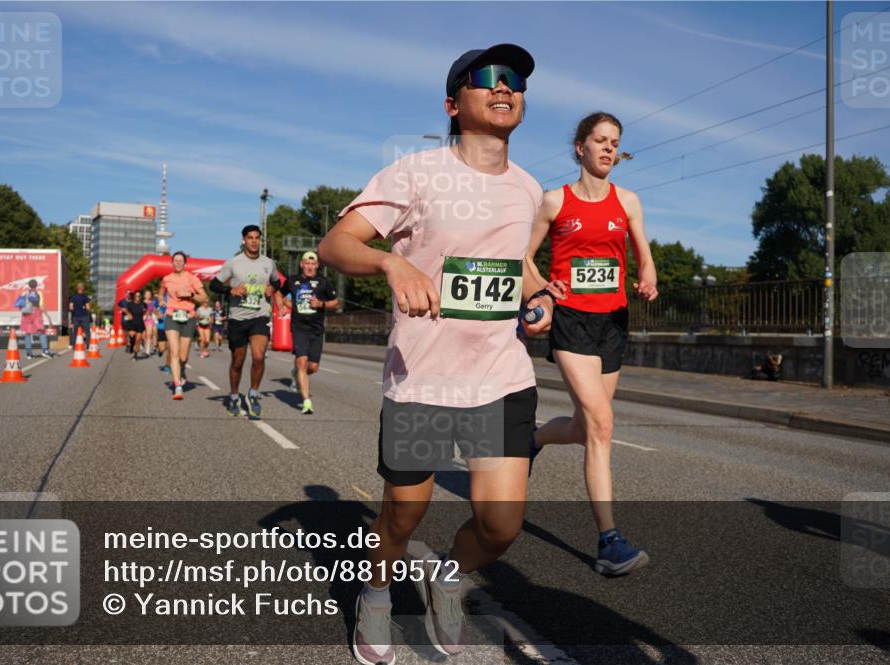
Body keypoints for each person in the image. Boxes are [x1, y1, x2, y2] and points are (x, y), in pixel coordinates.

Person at [318, 44, 552, 665]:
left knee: (501, 525)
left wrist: (539, 293)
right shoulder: (415, 173)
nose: (505, 88)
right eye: (488, 80)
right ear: (454, 103)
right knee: (403, 513)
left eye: (516, 82)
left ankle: (447, 578)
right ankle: (375, 592)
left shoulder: (529, 189)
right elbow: (336, 244)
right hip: (423, 376)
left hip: (501, 375)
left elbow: (515, 263)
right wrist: (390, 260)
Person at [524, 111, 659, 577]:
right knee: (602, 424)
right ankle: (608, 542)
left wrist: (647, 275)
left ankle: (534, 438)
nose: (608, 148)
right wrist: (544, 290)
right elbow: (523, 257)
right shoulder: (553, 202)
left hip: (613, 322)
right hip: (573, 324)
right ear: (579, 147)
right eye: (599, 140)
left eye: (614, 142)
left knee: (586, 427)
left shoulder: (629, 201)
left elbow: (643, 253)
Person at [209, 225, 284, 418]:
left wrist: (272, 289)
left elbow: (277, 282)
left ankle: (253, 393)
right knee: (238, 361)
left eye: (257, 238)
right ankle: (234, 395)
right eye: (250, 238)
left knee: (258, 356)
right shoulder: (233, 263)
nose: (254, 241)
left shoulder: (269, 263)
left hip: (260, 316)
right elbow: (214, 284)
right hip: (238, 318)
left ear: (260, 240)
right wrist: (230, 290)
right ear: (244, 240)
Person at [282, 251, 338, 414]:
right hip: (299, 327)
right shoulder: (293, 281)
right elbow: (279, 292)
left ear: (317, 266)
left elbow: (335, 302)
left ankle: (296, 374)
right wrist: (283, 303)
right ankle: (306, 401)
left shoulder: (324, 282)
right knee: (301, 362)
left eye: (313, 264)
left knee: (313, 367)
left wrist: (321, 304)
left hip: (316, 329)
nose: (310, 267)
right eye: (307, 263)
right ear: (302, 265)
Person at [158, 252, 208, 400]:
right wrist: (161, 300)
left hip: (188, 317)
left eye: (181, 261)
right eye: (175, 261)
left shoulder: (192, 279)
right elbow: (161, 293)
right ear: (172, 263)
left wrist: (190, 296)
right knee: (173, 352)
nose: (178, 263)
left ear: (185, 263)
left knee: (183, 356)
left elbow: (205, 297)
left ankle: (183, 369)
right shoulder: (167, 279)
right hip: (171, 316)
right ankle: (177, 385)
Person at [16, 278, 53, 359]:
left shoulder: (24, 293)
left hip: (26, 313)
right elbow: (41, 306)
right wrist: (48, 316)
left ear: (29, 285)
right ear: (36, 285)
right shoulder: (39, 293)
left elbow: (19, 304)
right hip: (36, 313)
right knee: (41, 332)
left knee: (28, 334)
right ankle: (44, 351)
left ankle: (29, 354)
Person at [122, 291, 148, 359]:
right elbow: (125, 310)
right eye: (136, 296)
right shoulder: (130, 304)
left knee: (138, 340)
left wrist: (146, 315)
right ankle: (131, 345)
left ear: (141, 297)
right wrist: (128, 314)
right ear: (134, 297)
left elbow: (145, 312)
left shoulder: (144, 304)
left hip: (140, 324)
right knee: (132, 338)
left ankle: (135, 354)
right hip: (132, 324)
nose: (137, 297)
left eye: (139, 296)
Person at [68, 282, 93, 347]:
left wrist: (75, 311)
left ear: (77, 289)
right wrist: (89, 309)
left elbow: (70, 307)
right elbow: (88, 307)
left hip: (76, 317)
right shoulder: (85, 297)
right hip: (84, 316)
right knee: (87, 332)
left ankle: (73, 346)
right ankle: (88, 346)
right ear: (83, 288)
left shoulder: (73, 297)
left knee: (75, 332)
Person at [156, 292, 170, 372]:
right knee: (162, 348)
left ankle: (168, 365)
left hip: (172, 328)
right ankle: (159, 350)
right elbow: (156, 310)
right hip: (162, 327)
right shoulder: (162, 298)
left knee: (171, 349)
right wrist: (159, 314)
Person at [117, 289, 134, 353]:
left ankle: (131, 344)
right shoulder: (122, 301)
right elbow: (118, 307)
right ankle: (128, 344)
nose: (128, 294)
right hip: (125, 318)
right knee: (126, 333)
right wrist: (122, 309)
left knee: (132, 332)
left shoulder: (133, 301)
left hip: (132, 317)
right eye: (127, 293)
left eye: (130, 293)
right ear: (125, 294)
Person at [143, 288, 158, 356]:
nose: (148, 295)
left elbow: (154, 310)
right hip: (141, 320)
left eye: (149, 294)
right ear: (144, 295)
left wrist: (158, 315)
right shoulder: (141, 302)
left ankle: (147, 351)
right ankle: (142, 343)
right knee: (143, 336)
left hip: (149, 319)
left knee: (149, 335)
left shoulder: (152, 302)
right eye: (146, 294)